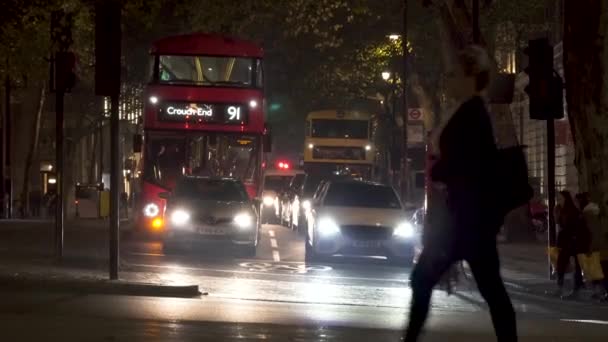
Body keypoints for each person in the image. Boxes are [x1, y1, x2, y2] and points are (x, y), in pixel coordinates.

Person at [403, 45, 517, 342]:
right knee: (491, 289)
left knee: (424, 279)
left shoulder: (472, 113)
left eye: (453, 74)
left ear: (469, 77)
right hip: (469, 220)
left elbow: (470, 164)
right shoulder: (469, 110)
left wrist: (441, 171)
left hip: (463, 220)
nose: (448, 80)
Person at [555, 190, 587, 298]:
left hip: (573, 242)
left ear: (565, 198)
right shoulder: (562, 209)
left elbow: (574, 227)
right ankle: (561, 287)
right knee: (561, 264)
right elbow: (558, 222)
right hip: (566, 242)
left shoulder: (572, 211)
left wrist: (573, 238)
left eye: (560, 198)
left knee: (576, 266)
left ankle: (575, 290)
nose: (558, 200)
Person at [576, 192, 607, 300]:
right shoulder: (596, 213)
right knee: (600, 269)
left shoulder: (587, 214)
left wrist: (590, 247)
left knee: (597, 270)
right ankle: (600, 291)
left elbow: (591, 232)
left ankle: (601, 291)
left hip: (594, 246)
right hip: (600, 245)